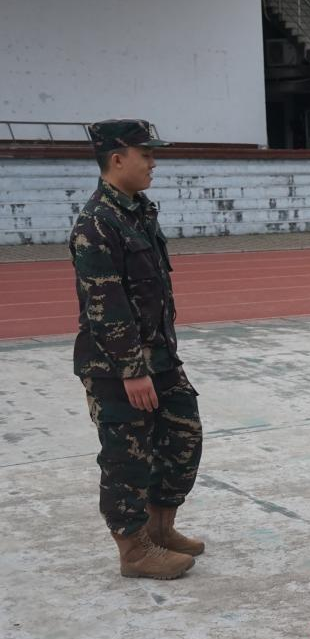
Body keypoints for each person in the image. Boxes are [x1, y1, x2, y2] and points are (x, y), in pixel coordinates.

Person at [70, 119, 202, 580]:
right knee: (127, 457)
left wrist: (159, 358)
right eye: (145, 154)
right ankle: (133, 550)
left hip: (160, 356)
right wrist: (132, 370)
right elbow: (106, 305)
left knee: (183, 438)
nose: (153, 162)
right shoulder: (96, 223)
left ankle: (160, 529)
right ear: (116, 158)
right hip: (116, 366)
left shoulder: (138, 211)